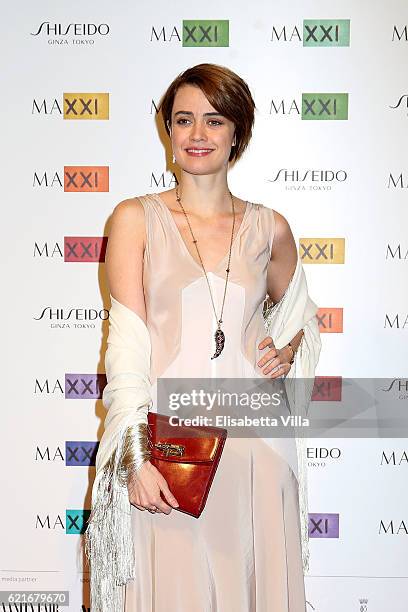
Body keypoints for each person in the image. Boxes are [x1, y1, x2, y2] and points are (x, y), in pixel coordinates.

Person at [85, 63, 321, 612]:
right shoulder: (134, 219)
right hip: (170, 457)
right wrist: (135, 455)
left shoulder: (271, 227)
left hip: (258, 453)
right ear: (167, 130)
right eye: (184, 120)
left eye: (214, 121)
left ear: (237, 132)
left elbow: (303, 316)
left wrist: (286, 350)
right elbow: (126, 341)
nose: (197, 135)